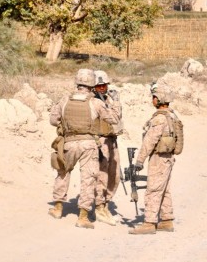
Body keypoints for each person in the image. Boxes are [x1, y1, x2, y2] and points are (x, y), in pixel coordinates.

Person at [48, 69, 120, 229]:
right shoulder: (95, 102)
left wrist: (67, 124)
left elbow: (53, 120)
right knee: (88, 179)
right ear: (92, 84)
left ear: (77, 82)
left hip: (69, 142)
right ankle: (83, 217)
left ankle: (58, 208)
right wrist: (115, 103)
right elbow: (114, 119)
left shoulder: (65, 100)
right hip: (89, 144)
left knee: (63, 172)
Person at [129, 84, 184, 235]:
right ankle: (166, 220)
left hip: (158, 159)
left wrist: (139, 161)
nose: (152, 100)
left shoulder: (160, 119)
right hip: (168, 158)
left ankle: (149, 222)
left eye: (154, 97)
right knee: (165, 189)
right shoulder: (172, 116)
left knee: (153, 189)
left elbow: (149, 141)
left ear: (158, 99)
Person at [93, 70, 123, 226]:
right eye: (99, 86)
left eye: (104, 85)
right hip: (100, 141)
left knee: (115, 175)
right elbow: (113, 117)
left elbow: (118, 119)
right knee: (102, 176)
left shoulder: (107, 100)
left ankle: (106, 204)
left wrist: (115, 101)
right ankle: (99, 207)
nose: (102, 88)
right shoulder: (93, 102)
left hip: (112, 140)